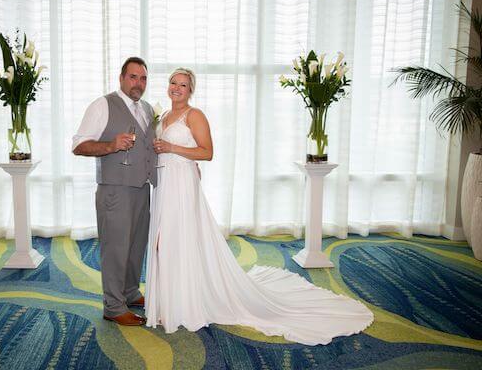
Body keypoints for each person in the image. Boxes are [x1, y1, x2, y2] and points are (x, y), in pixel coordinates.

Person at [146, 68, 374, 345]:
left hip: (182, 186)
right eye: (173, 83)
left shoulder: (195, 115)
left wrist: (172, 149)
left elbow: (207, 152)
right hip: (164, 183)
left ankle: (185, 304)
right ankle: (171, 302)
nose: (177, 88)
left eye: (183, 85)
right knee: (163, 242)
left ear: (191, 90)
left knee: (176, 241)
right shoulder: (163, 116)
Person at [72, 57, 157, 326]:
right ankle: (113, 305)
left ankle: (130, 292)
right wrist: (111, 145)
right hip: (115, 190)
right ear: (121, 78)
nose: (138, 83)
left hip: (142, 188)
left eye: (143, 78)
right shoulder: (102, 105)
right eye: (133, 77)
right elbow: (79, 145)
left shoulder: (146, 108)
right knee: (116, 248)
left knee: (136, 246)